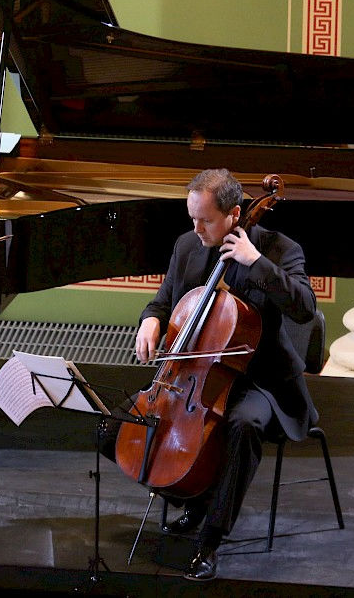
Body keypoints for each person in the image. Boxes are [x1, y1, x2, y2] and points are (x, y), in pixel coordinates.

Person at [119, 168, 317, 581]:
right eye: (192, 218)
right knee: (117, 430)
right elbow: (162, 301)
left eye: (205, 220)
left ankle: (209, 541)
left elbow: (304, 308)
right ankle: (194, 495)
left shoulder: (279, 249)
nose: (196, 228)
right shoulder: (188, 246)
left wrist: (256, 263)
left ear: (233, 214)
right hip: (195, 377)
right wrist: (149, 321)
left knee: (242, 425)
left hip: (260, 380)